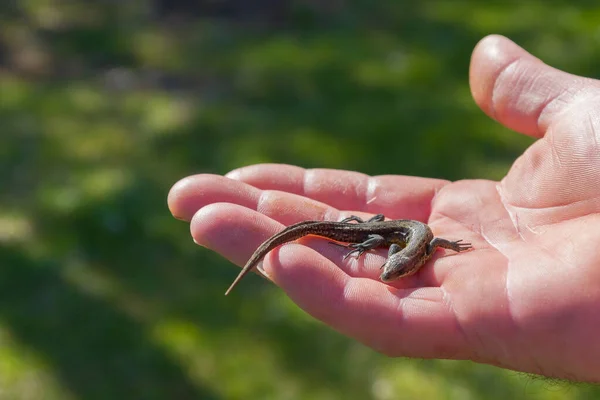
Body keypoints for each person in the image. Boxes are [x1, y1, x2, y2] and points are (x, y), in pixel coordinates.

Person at [167, 35, 600, 383]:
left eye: (393, 272)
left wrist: (447, 244)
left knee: (356, 234)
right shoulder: (414, 246)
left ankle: (338, 237)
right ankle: (334, 237)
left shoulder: (423, 247)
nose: (389, 276)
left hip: (391, 230)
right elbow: (427, 241)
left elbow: (437, 242)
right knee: (357, 233)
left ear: (407, 261)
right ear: (403, 259)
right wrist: (364, 238)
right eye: (391, 271)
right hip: (384, 229)